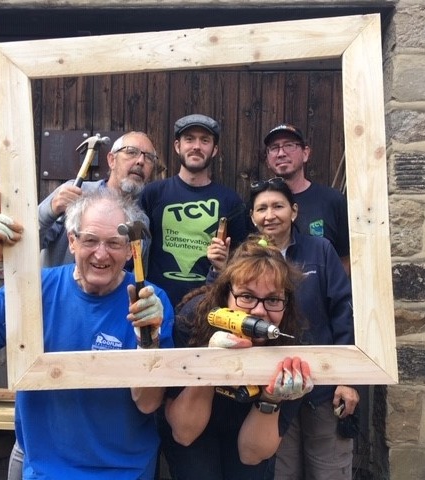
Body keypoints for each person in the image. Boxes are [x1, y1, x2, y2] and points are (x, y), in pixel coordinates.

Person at [0, 189, 174, 480]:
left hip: (125, 472)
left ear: (129, 249)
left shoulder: (150, 303)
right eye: (90, 240)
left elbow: (147, 403)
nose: (101, 253)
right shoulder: (36, 290)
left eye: (114, 243)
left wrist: (148, 342)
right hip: (45, 472)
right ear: (72, 241)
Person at [159, 236, 314, 480]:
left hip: (251, 427)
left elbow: (251, 455)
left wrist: (272, 398)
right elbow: (183, 433)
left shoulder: (292, 340)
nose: (260, 311)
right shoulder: (193, 319)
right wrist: (210, 365)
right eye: (247, 297)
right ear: (225, 296)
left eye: (273, 299)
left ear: (287, 303)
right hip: (193, 425)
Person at [245, 177, 358, 479]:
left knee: (329, 471)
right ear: (253, 218)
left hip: (324, 389)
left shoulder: (320, 250)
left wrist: (348, 380)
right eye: (262, 209)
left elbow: (343, 313)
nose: (270, 215)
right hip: (272, 388)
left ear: (293, 212)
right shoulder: (246, 259)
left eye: (278, 206)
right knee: (281, 472)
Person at [140, 114, 247, 308]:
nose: (196, 146)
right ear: (177, 146)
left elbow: (243, 262)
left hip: (207, 305)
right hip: (154, 303)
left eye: (204, 140)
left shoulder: (231, 202)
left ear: (214, 150)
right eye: (189, 139)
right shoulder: (152, 194)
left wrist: (225, 262)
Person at [39, 130, 157, 268]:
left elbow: (138, 275)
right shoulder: (73, 194)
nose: (141, 161)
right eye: (131, 152)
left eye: (149, 157)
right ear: (112, 160)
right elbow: (28, 242)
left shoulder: (141, 222)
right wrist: (50, 210)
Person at [263, 123, 350, 274]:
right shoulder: (261, 205)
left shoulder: (332, 200)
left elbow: (346, 258)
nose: (281, 153)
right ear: (268, 159)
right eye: (274, 148)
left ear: (305, 153)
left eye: (289, 145)